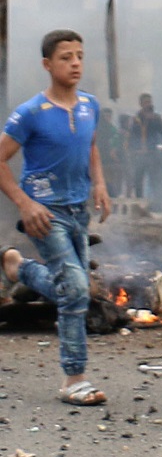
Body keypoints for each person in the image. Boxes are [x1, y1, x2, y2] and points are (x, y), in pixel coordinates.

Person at [0, 29, 111, 406]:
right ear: (48, 65)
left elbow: (91, 145)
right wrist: (24, 204)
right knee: (77, 289)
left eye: (79, 55)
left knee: (73, 289)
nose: (75, 63)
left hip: (79, 210)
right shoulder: (30, 113)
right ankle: (73, 379)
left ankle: (20, 270)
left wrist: (99, 185)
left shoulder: (90, 105)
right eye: (66, 57)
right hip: (45, 213)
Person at [132, 93, 162, 209]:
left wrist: (161, 150)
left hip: (152, 153)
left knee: (155, 179)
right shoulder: (136, 118)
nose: (149, 104)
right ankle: (139, 204)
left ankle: (157, 204)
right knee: (138, 180)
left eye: (150, 102)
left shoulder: (156, 118)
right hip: (139, 154)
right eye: (146, 102)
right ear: (141, 104)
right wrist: (135, 150)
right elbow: (132, 136)